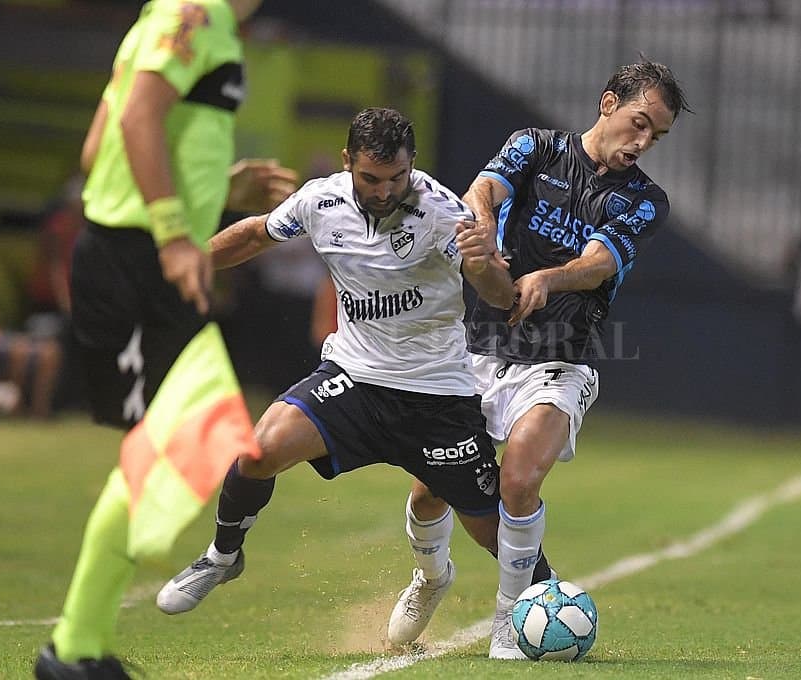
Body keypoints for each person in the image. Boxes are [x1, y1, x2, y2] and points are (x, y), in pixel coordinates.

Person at [154, 108, 531, 636]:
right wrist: (183, 263)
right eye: (371, 178)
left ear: (412, 166)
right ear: (347, 161)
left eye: (396, 178)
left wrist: (483, 265)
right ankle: (222, 556)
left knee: (493, 533)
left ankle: (527, 604)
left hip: (436, 394)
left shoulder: (447, 213)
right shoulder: (320, 200)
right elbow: (255, 236)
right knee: (258, 450)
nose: (384, 191)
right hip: (355, 378)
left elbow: (502, 295)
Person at [386, 59, 691, 659]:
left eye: (656, 134)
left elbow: (601, 262)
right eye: (639, 123)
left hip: (559, 360)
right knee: (428, 492)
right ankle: (431, 577)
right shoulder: (535, 146)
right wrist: (486, 234)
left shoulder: (645, 200)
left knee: (519, 479)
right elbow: (484, 190)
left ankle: (509, 618)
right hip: (475, 351)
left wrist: (549, 278)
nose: (643, 142)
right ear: (608, 103)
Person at [35, 1, 297, 677]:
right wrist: (177, 234)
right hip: (136, 263)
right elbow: (136, 118)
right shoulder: (196, 13)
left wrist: (219, 190)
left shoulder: (176, 19)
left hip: (137, 259)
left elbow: (100, 148)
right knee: (172, 444)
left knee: (178, 440)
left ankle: (78, 647)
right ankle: (74, 648)